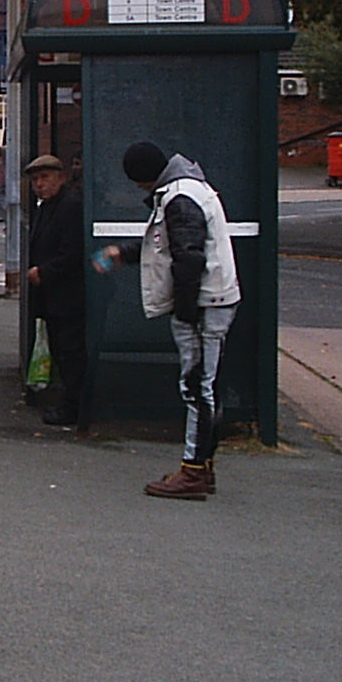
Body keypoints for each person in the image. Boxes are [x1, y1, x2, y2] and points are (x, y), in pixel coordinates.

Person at [95, 141, 242, 501]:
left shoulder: (179, 198)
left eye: (138, 182)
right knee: (205, 386)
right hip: (213, 299)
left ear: (145, 176)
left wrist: (186, 309)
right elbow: (168, 244)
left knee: (196, 387)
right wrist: (123, 253)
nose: (139, 188)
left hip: (204, 303)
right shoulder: (188, 189)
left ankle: (193, 472)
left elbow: (187, 256)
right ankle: (201, 466)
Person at [24, 154, 86, 426]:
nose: (39, 184)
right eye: (35, 180)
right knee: (61, 351)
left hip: (67, 295)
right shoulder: (45, 208)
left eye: (45, 178)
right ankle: (66, 402)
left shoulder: (69, 207)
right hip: (52, 296)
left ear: (60, 178)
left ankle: (73, 406)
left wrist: (44, 272)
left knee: (70, 352)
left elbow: (73, 251)